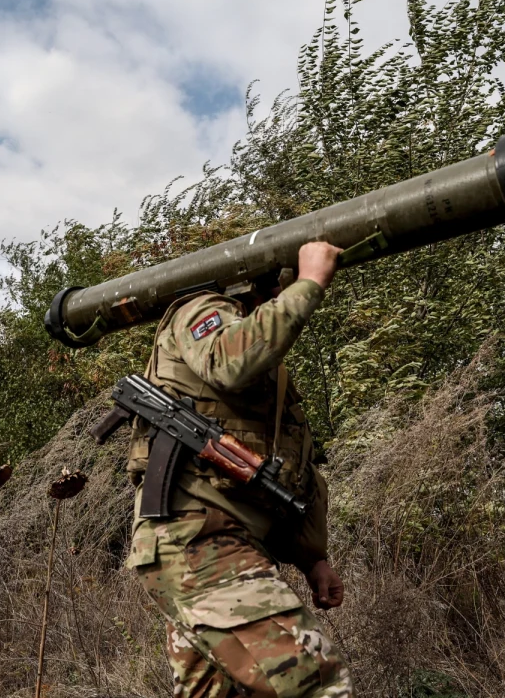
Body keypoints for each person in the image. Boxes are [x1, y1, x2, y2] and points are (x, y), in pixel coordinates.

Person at [125, 241, 353, 697]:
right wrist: (309, 285)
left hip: (218, 544)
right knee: (314, 683)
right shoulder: (198, 309)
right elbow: (229, 361)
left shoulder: (270, 377)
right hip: (197, 541)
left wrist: (313, 558)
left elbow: (296, 469)